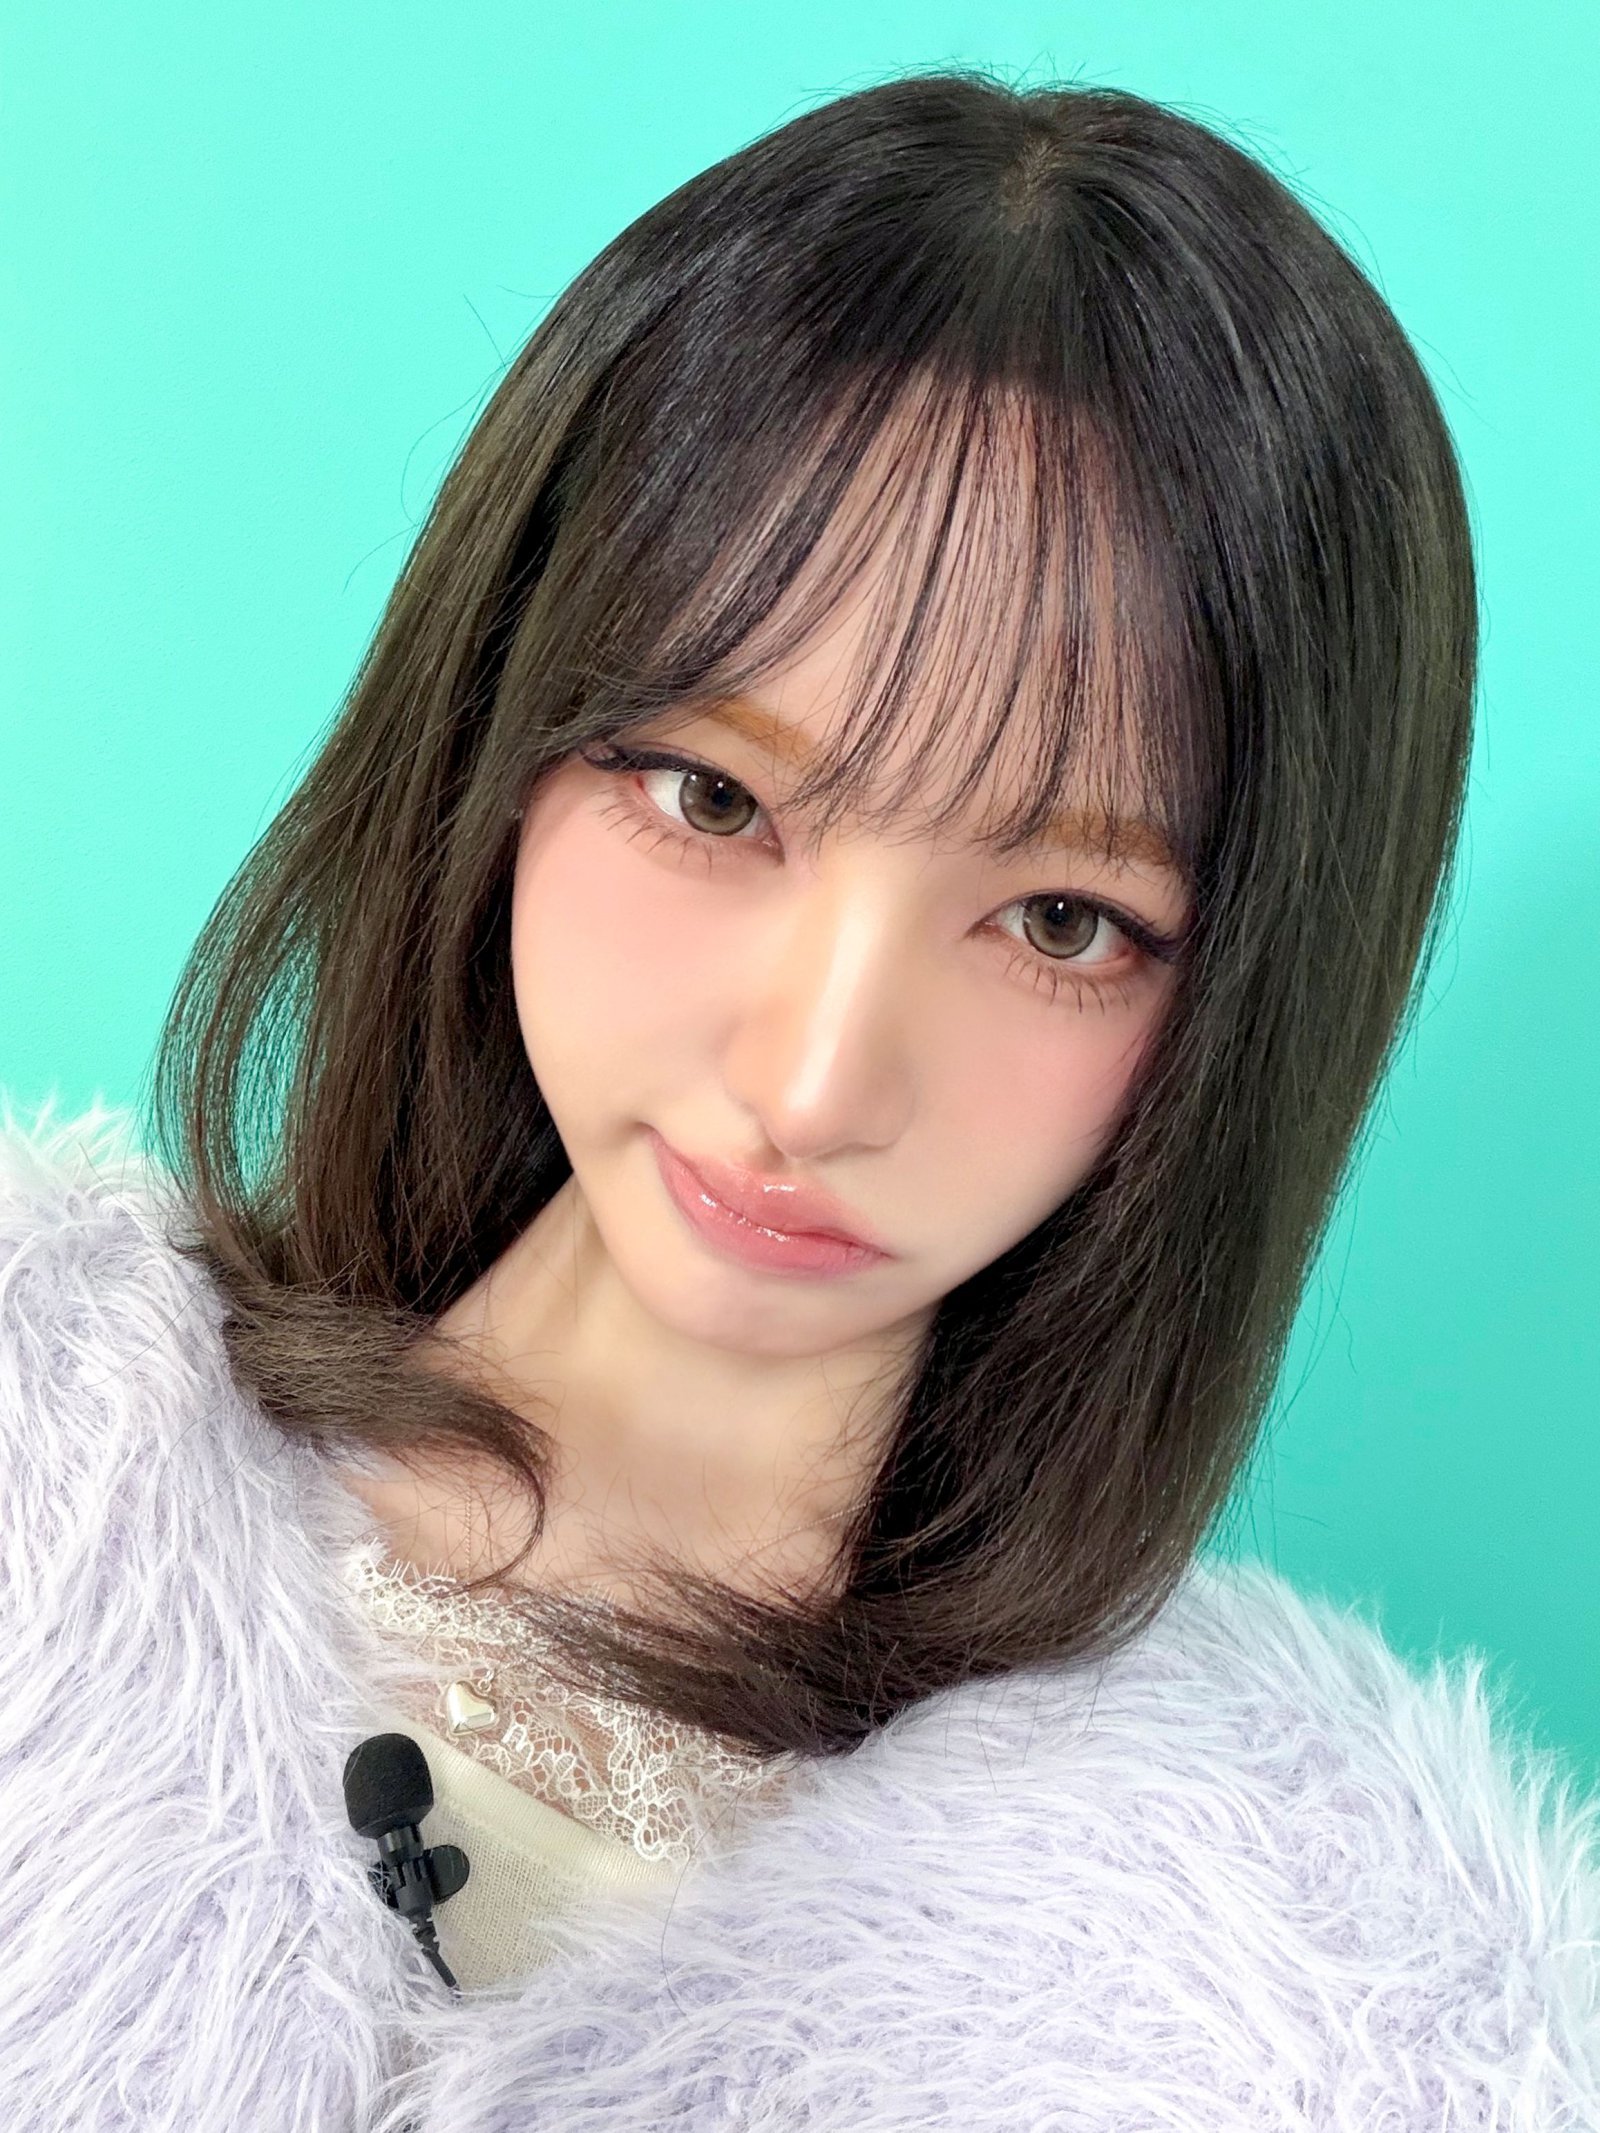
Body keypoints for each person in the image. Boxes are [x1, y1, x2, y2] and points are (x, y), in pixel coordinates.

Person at [3, 66, 1595, 2132]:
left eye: (1059, 920)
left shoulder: (1324, 2000)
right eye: (712, 798)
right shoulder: (44, 1465)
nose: (816, 1078)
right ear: (496, 731)